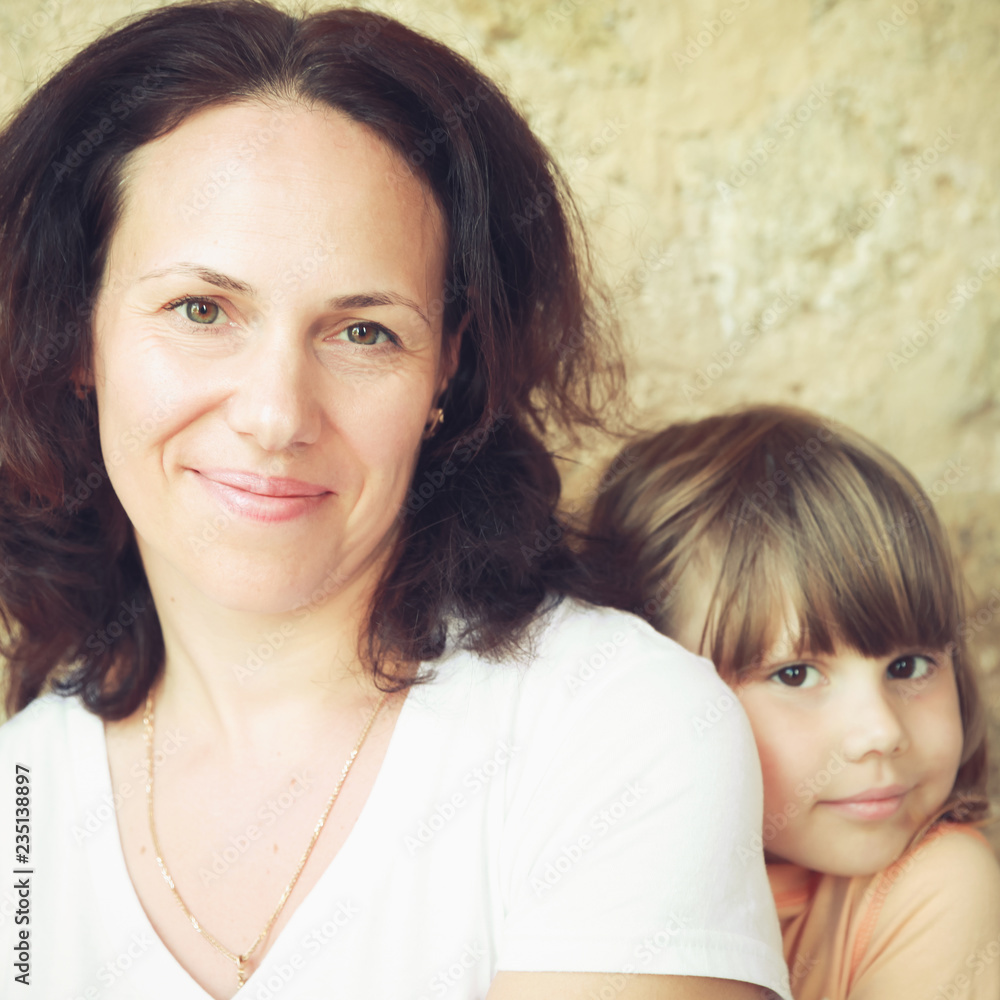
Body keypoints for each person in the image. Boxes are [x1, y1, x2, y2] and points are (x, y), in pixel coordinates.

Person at [0, 3, 791, 998]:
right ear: (77, 334)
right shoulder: (20, 799)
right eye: (201, 309)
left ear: (447, 368)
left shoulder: (612, 726)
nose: (276, 415)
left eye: (364, 331)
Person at [584, 404, 1000, 999]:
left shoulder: (936, 888)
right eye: (796, 674)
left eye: (908, 666)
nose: (882, 732)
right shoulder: (586, 885)